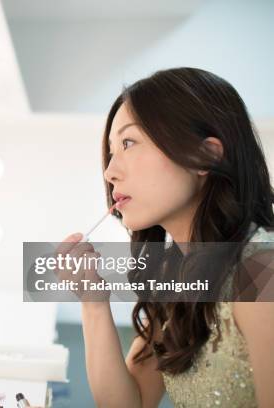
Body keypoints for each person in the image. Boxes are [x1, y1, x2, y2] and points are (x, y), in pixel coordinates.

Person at [59, 67, 274, 407]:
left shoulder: (262, 270)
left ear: (206, 156)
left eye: (129, 142)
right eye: (112, 151)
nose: (110, 172)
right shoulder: (176, 277)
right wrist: (92, 301)